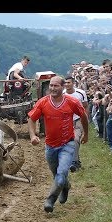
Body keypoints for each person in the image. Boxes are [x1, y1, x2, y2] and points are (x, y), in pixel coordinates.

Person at [28, 76, 88, 213]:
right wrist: (32, 135)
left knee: (61, 173)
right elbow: (31, 119)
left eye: (56, 86)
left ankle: (50, 200)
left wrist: (86, 134)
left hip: (67, 144)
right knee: (57, 175)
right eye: (51, 86)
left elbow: (83, 116)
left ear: (63, 87)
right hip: (50, 146)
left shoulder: (72, 102)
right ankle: (65, 186)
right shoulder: (43, 102)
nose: (53, 88)